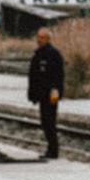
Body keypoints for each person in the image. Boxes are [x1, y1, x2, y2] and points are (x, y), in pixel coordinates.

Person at [27, 27, 64, 159]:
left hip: (51, 94)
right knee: (45, 121)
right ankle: (51, 148)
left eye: (42, 37)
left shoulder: (53, 54)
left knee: (49, 121)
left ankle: (53, 150)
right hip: (42, 94)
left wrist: (56, 95)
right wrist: (32, 94)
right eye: (38, 37)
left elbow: (58, 77)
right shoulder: (38, 54)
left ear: (48, 39)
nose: (39, 40)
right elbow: (34, 76)